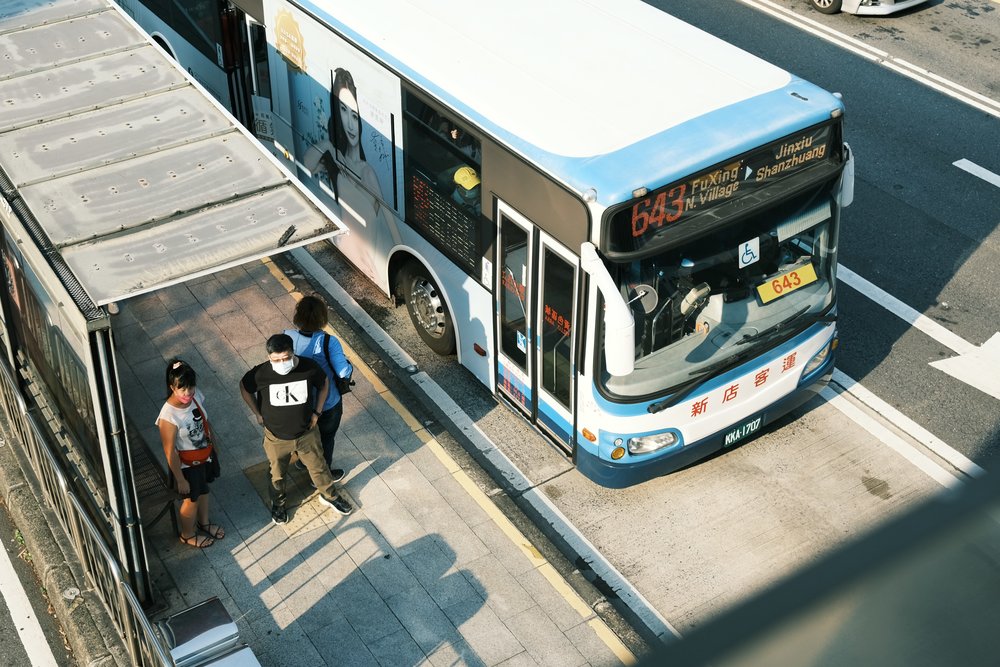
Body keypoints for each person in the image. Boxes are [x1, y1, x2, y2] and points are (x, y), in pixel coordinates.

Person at [239, 334, 354, 524]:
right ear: (269, 358)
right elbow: (244, 387)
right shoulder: (261, 373)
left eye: (286, 358)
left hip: (306, 434)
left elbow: (324, 383)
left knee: (319, 466)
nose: (282, 363)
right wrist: (257, 413)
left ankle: (330, 496)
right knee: (277, 474)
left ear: (292, 353)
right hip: (276, 437)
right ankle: (278, 505)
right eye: (276, 360)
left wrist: (317, 412)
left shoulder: (308, 367)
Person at [284, 295, 352, 482]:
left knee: (305, 436)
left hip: (298, 403)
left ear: (298, 316)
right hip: (328, 403)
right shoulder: (329, 342)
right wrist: (349, 364)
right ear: (322, 318)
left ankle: (303, 462)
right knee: (326, 439)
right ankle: (323, 476)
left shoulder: (287, 336)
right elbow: (342, 372)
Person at [156, 359, 224, 548]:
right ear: (172, 387)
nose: (188, 393)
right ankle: (187, 534)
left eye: (191, 387)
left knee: (204, 491)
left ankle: (204, 523)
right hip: (187, 465)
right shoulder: (168, 416)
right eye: (182, 389)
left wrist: (214, 447)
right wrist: (180, 479)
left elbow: (205, 424)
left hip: (205, 455)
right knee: (191, 500)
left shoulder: (196, 397)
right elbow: (169, 451)